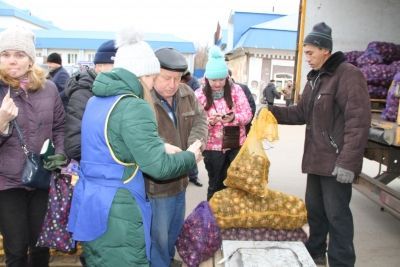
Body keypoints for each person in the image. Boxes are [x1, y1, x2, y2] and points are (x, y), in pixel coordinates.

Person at [67, 27, 202, 267]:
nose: (151, 85)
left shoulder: (96, 100)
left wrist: (159, 144)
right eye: (151, 77)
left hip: (93, 202)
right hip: (120, 207)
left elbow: (115, 140)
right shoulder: (134, 105)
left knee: (101, 259)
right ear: (139, 73)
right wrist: (190, 156)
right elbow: (158, 168)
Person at [264, 22, 370, 267]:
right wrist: (269, 112)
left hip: (336, 162)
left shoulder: (348, 75)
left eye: (310, 52)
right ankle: (315, 253)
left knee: (337, 216)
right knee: (316, 212)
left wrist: (347, 163)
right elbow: (300, 113)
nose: (307, 58)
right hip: (316, 160)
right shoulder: (314, 80)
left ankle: (342, 262)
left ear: (325, 50)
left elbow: (358, 121)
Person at [0, 26, 66, 267]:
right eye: (5, 54)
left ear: (30, 60)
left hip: (41, 179)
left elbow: (60, 126)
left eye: (19, 55)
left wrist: (59, 155)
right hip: (7, 183)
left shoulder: (48, 89)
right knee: (16, 250)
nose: (11, 61)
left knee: (40, 247)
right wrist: (1, 122)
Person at [146, 47, 208, 267]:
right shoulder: (143, 100)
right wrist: (164, 147)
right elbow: (144, 139)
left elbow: (201, 120)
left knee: (173, 233)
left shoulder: (186, 94)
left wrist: (196, 144)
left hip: (181, 182)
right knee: (158, 240)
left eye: (178, 78)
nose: (172, 84)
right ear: (153, 73)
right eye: (166, 78)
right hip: (156, 187)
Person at [195, 46, 252, 200]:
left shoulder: (237, 91)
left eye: (221, 79)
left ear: (227, 77)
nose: (218, 83)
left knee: (234, 185)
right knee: (215, 185)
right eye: (214, 80)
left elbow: (247, 115)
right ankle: (212, 219)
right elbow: (194, 123)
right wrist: (209, 121)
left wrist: (233, 118)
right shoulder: (199, 95)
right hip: (212, 148)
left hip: (235, 145)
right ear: (207, 78)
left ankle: (230, 219)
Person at [64, 40, 118, 161]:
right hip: (96, 171)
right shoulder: (83, 94)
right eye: (116, 66)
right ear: (99, 66)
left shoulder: (115, 92)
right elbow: (75, 146)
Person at [228, 69, 256, 134]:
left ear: (229, 76)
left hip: (239, 128)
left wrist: (246, 123)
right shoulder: (214, 89)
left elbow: (251, 107)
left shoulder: (242, 88)